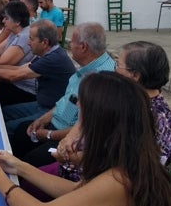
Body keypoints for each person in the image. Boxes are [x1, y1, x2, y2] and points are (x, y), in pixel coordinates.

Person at [0, 71, 171, 206]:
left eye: (83, 104)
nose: (78, 105)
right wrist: (19, 166)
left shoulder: (119, 180)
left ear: (100, 121)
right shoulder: (127, 155)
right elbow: (76, 190)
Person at [53, 40, 171, 184]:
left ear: (135, 75)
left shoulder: (148, 117)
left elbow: (123, 169)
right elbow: (86, 118)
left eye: (118, 65)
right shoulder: (130, 98)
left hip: (89, 184)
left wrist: (73, 157)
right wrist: (71, 136)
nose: (114, 70)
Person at [9, 22, 114, 167]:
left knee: (30, 161)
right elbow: (66, 100)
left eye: (72, 42)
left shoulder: (102, 79)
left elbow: (85, 128)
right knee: (22, 132)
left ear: (83, 47)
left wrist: (48, 134)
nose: (69, 45)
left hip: (70, 140)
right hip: (55, 124)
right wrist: (43, 119)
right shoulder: (87, 68)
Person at [0, 20, 75, 135]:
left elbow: (14, 76)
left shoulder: (53, 59)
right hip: (42, 103)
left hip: (50, 110)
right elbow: (19, 69)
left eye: (31, 39)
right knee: (4, 113)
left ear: (45, 42)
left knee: (7, 128)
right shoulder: (49, 53)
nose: (28, 43)